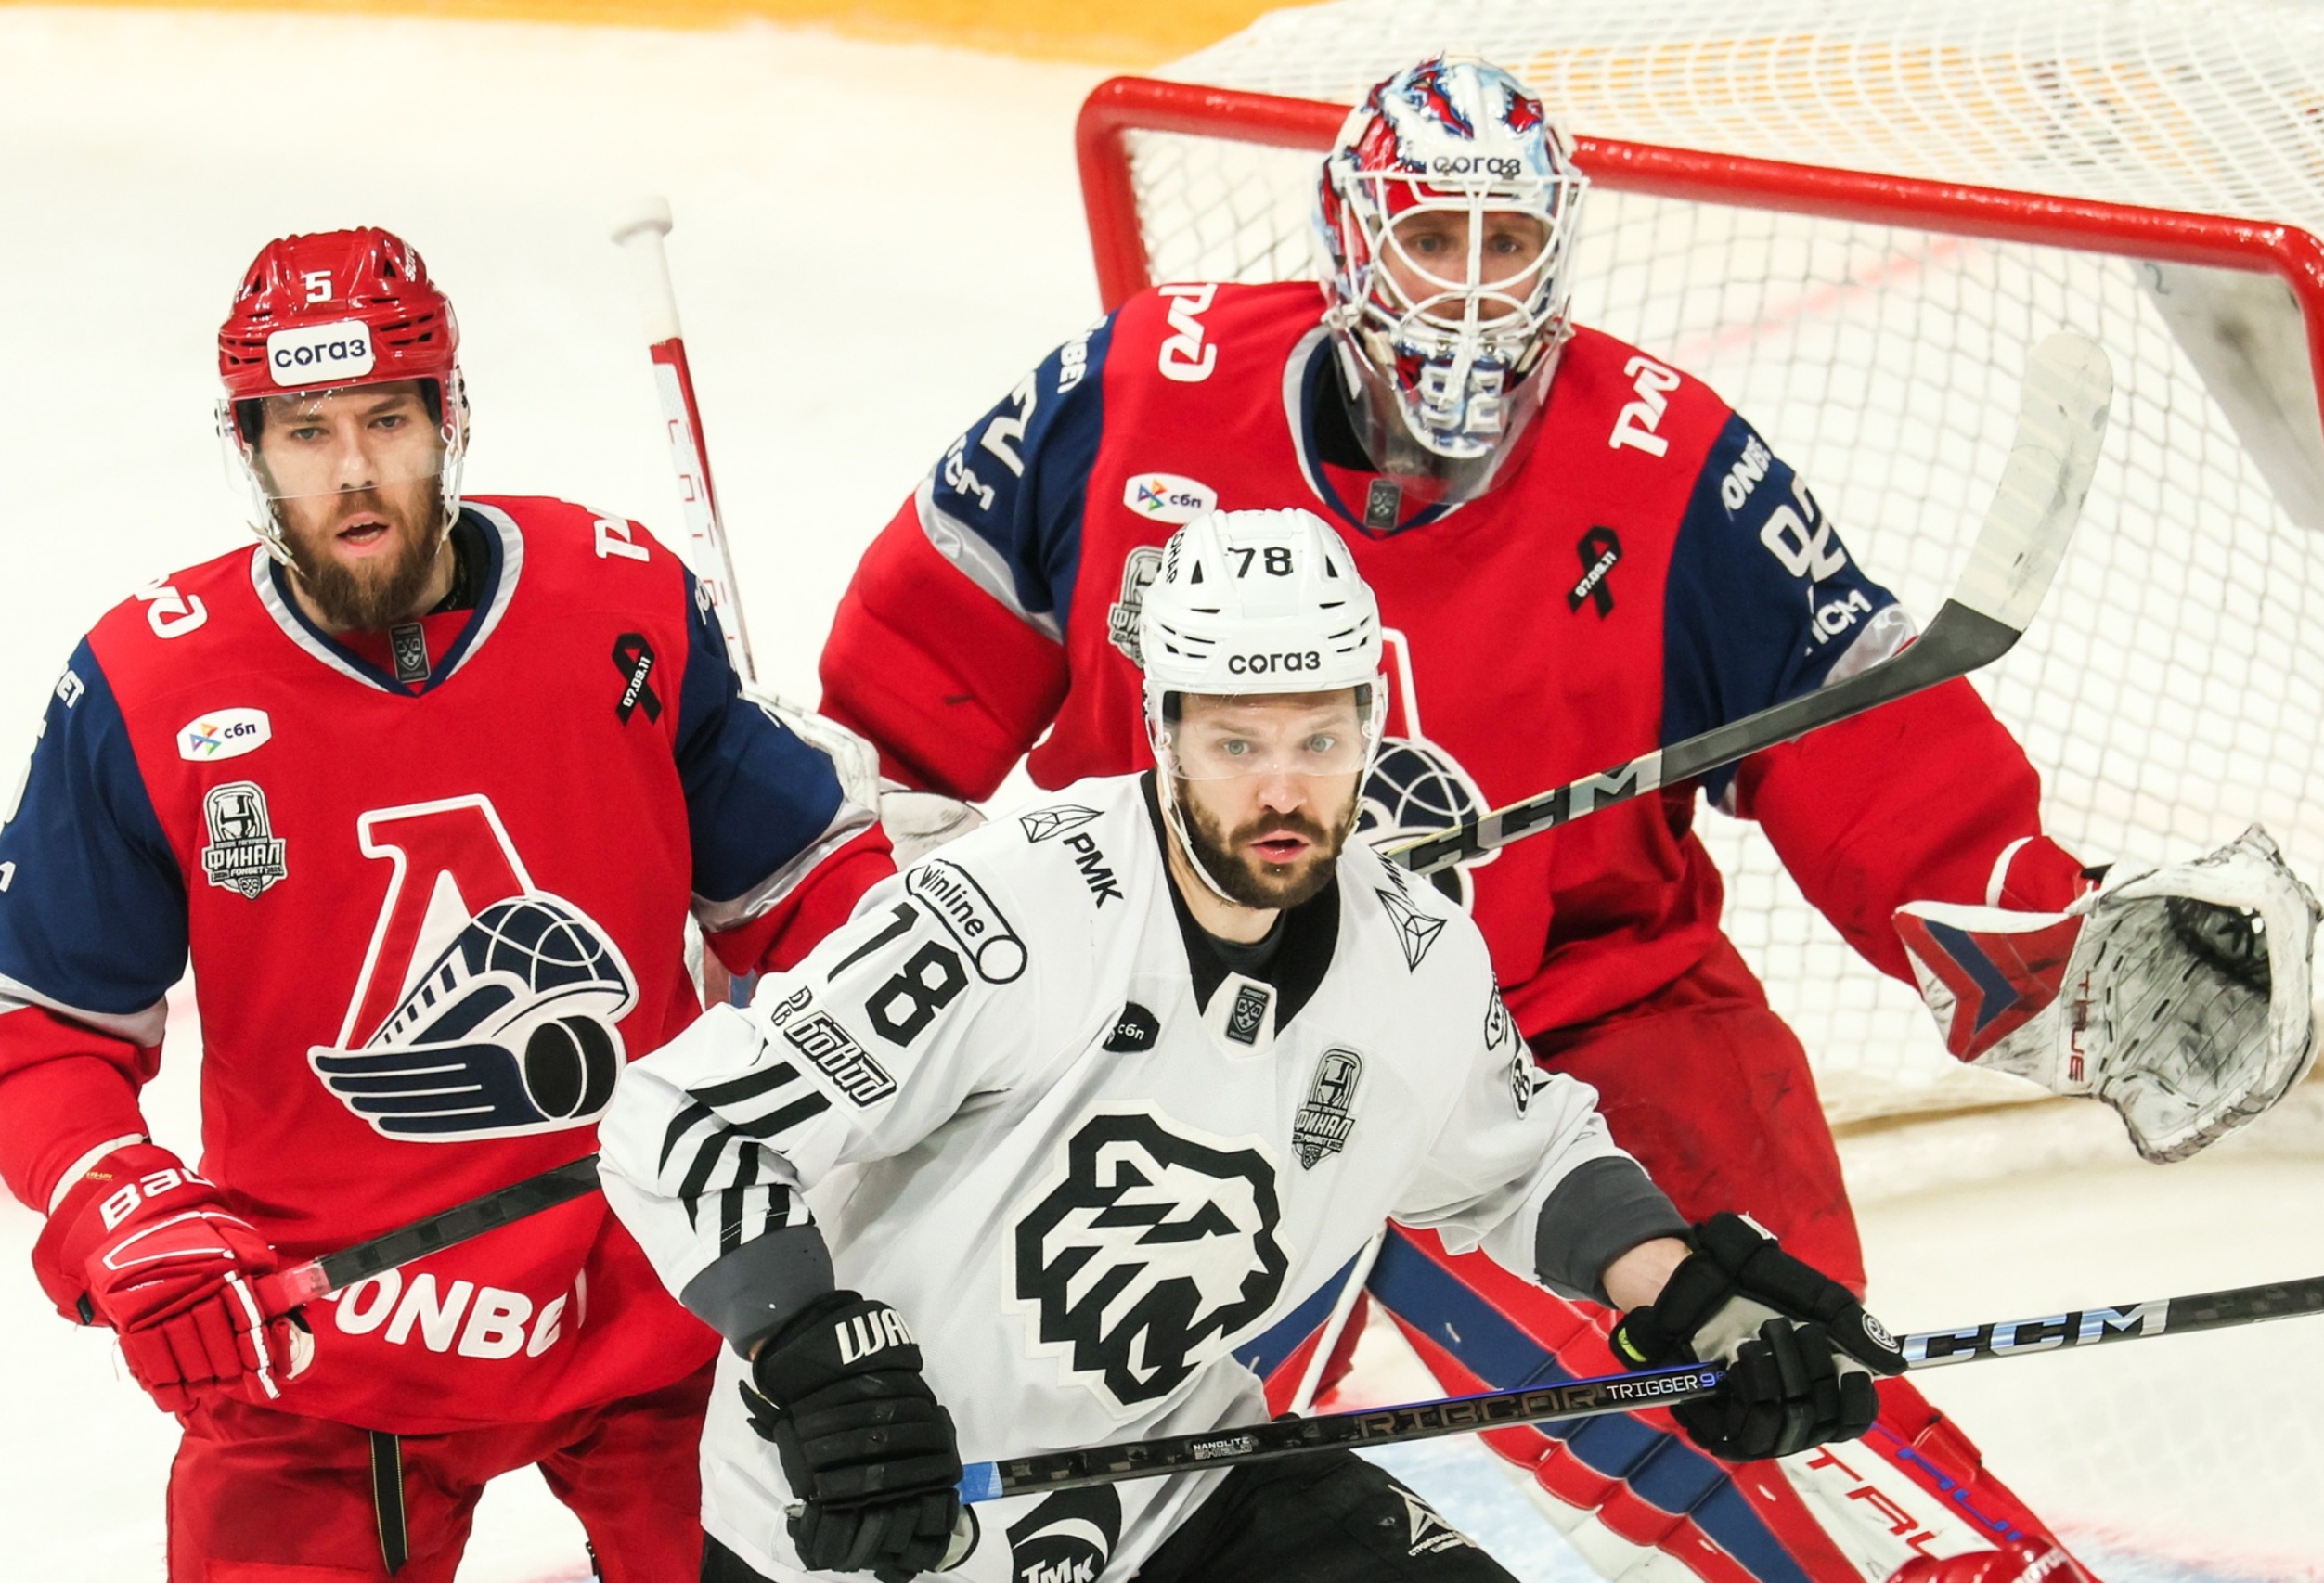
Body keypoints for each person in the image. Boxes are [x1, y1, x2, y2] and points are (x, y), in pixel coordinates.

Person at [810, 55, 2312, 1583]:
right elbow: (899, 716)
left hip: (1582, 1007)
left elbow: (1862, 729)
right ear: (1347, 238)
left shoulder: (1667, 464)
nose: (1471, 289)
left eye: (1509, 242)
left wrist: (2045, 938)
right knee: (1017, 1460)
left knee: (1791, 1420)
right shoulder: (1143, 389)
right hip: (1178, 1038)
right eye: (1431, 238)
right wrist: (909, 971)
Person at [600, 508, 1911, 1583]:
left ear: (1370, 728)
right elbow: (683, 1119)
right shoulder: (1022, 910)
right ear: (1161, 728)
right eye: (1236, 743)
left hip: (1177, 1484)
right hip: (875, 1516)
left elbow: (1519, 1156)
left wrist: (1688, 1295)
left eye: (1319, 741)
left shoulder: (1415, 952)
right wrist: (812, 1353)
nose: (1283, 793)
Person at [0, 227, 894, 1582]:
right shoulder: (148, 689)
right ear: (250, 448)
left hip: (665, 1283)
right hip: (326, 1338)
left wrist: (902, 943)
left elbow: (803, 889)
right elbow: (42, 1022)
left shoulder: (620, 600)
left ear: (449, 417)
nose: (353, 472)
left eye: (386, 420)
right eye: (307, 432)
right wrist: (112, 1202)